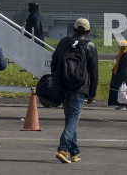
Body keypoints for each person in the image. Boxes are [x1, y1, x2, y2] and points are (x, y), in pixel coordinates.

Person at [50, 18, 98, 164]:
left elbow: (54, 62)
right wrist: (92, 92)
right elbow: (94, 72)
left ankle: (74, 152)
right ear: (88, 31)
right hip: (79, 88)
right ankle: (63, 148)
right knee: (73, 119)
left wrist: (55, 82)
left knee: (70, 119)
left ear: (74, 29)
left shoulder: (64, 42)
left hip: (63, 87)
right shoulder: (90, 46)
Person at [108, 40, 127, 110]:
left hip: (123, 76)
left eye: (120, 45)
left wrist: (124, 79)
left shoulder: (125, 55)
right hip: (119, 74)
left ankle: (124, 105)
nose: (119, 46)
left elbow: (125, 68)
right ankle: (120, 104)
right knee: (120, 90)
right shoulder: (121, 54)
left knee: (123, 90)